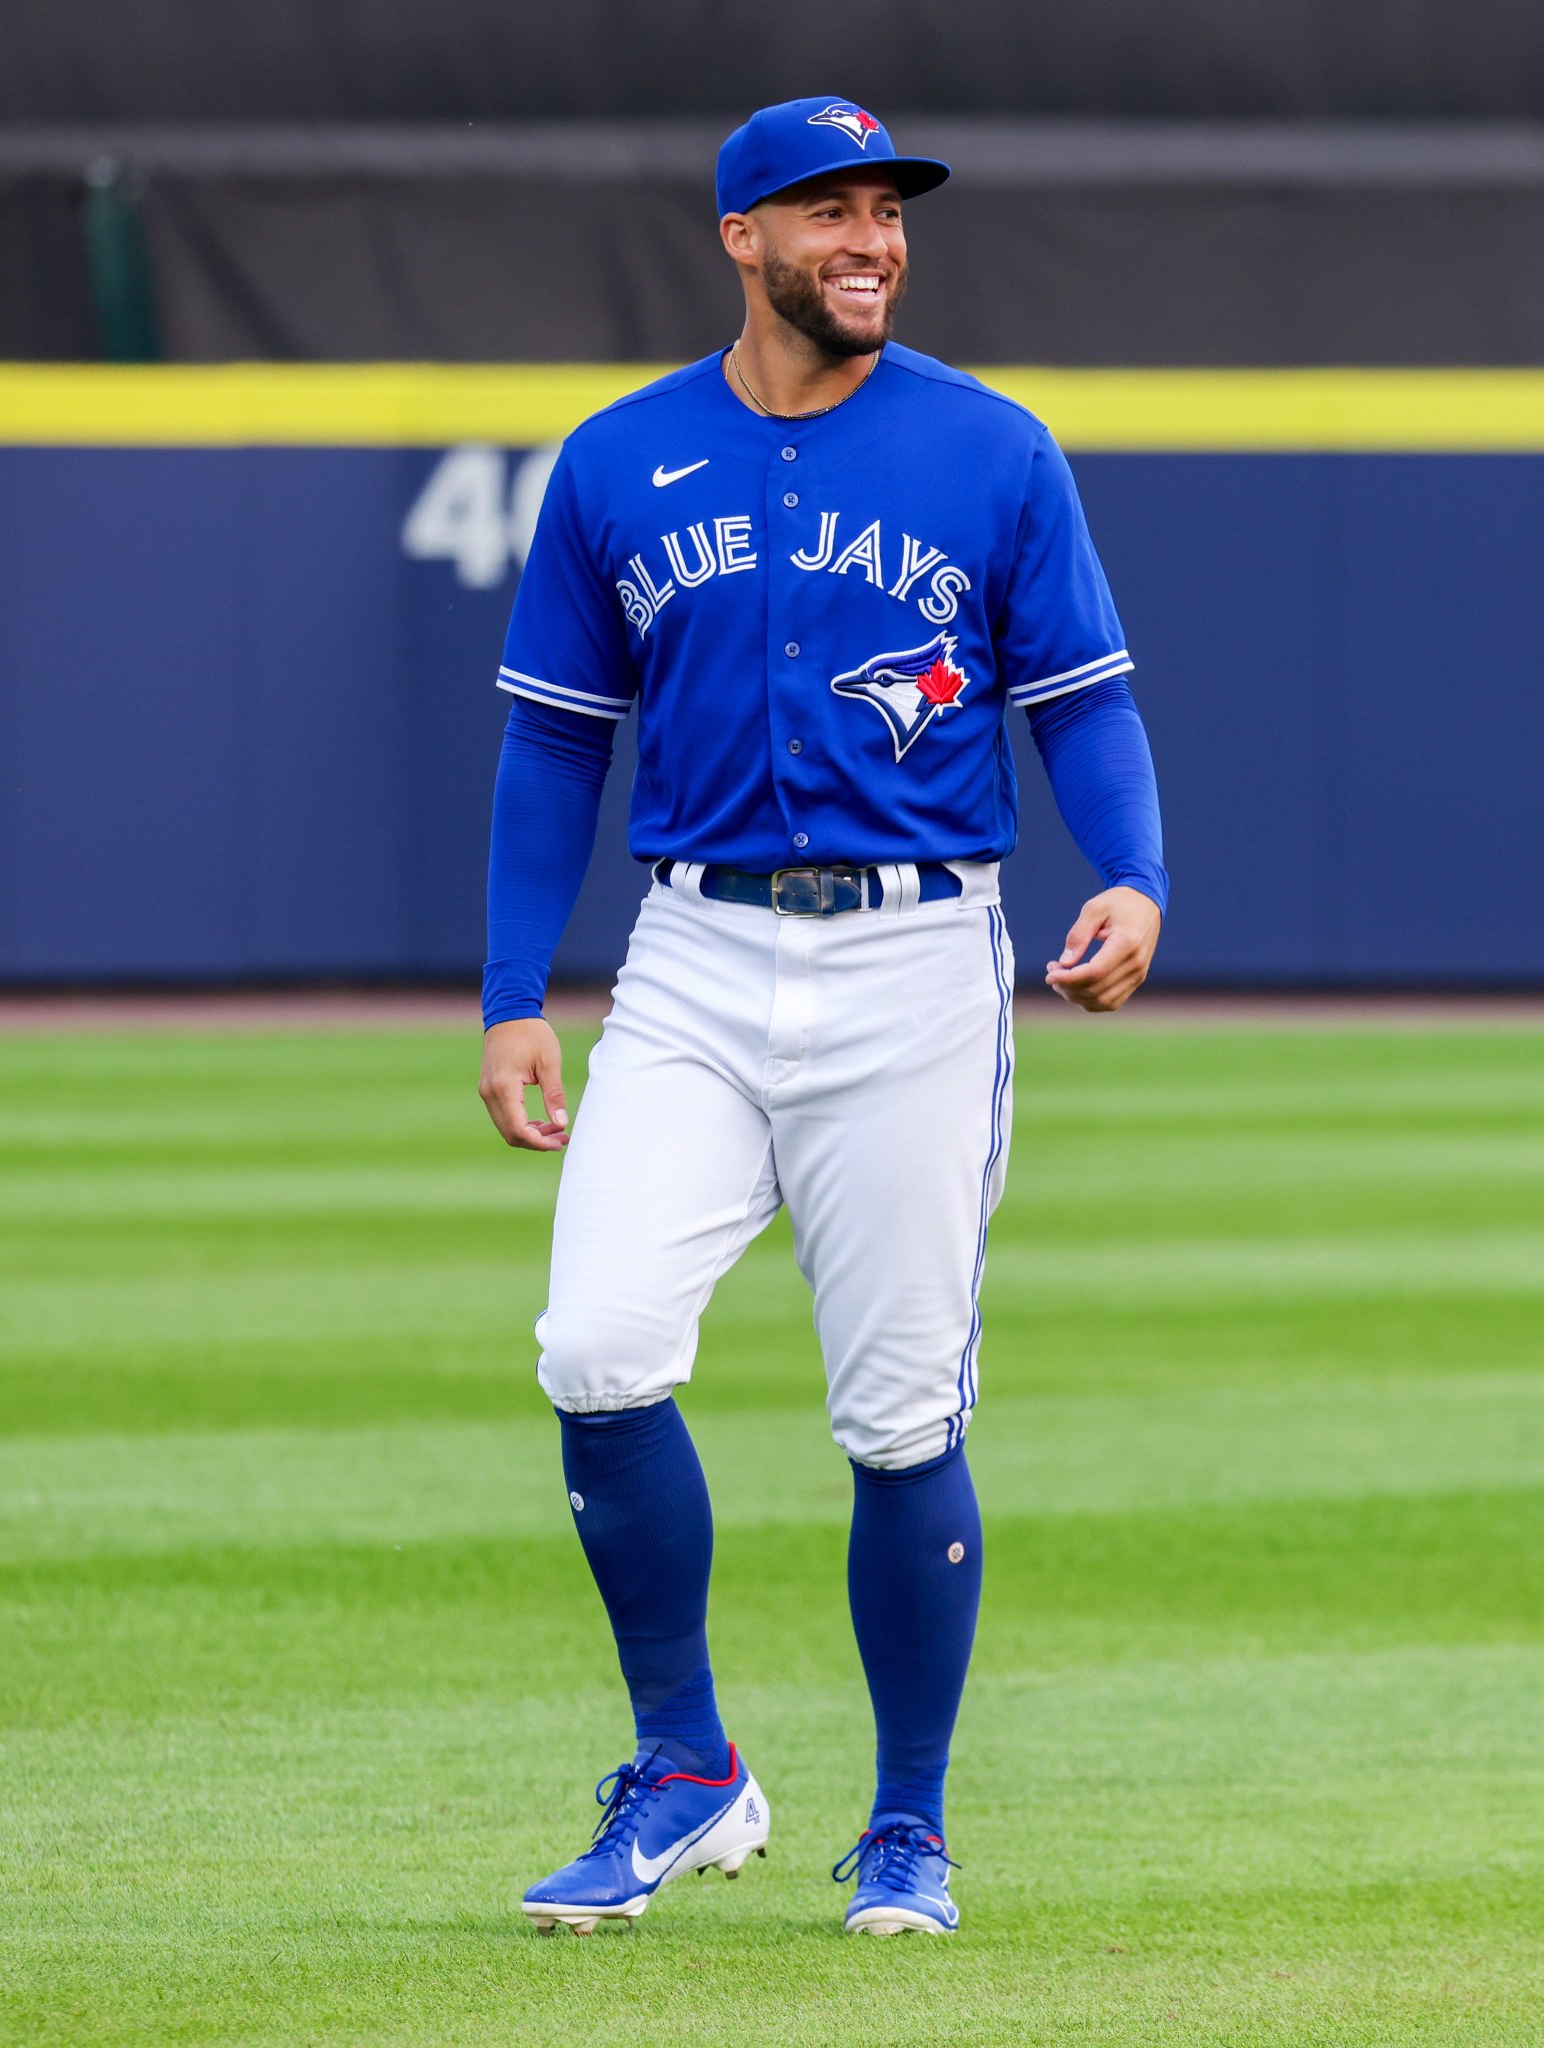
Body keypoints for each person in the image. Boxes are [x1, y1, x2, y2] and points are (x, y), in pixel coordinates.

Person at [477, 96, 1167, 1938]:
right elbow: (555, 743)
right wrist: (510, 993)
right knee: (598, 1346)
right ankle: (687, 1771)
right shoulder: (620, 461)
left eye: (889, 212)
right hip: (691, 958)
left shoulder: (992, 450)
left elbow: (1085, 699)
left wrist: (1134, 869)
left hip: (917, 959)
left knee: (894, 1414)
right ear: (741, 239)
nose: (872, 238)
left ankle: (910, 1825)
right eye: (829, 211)